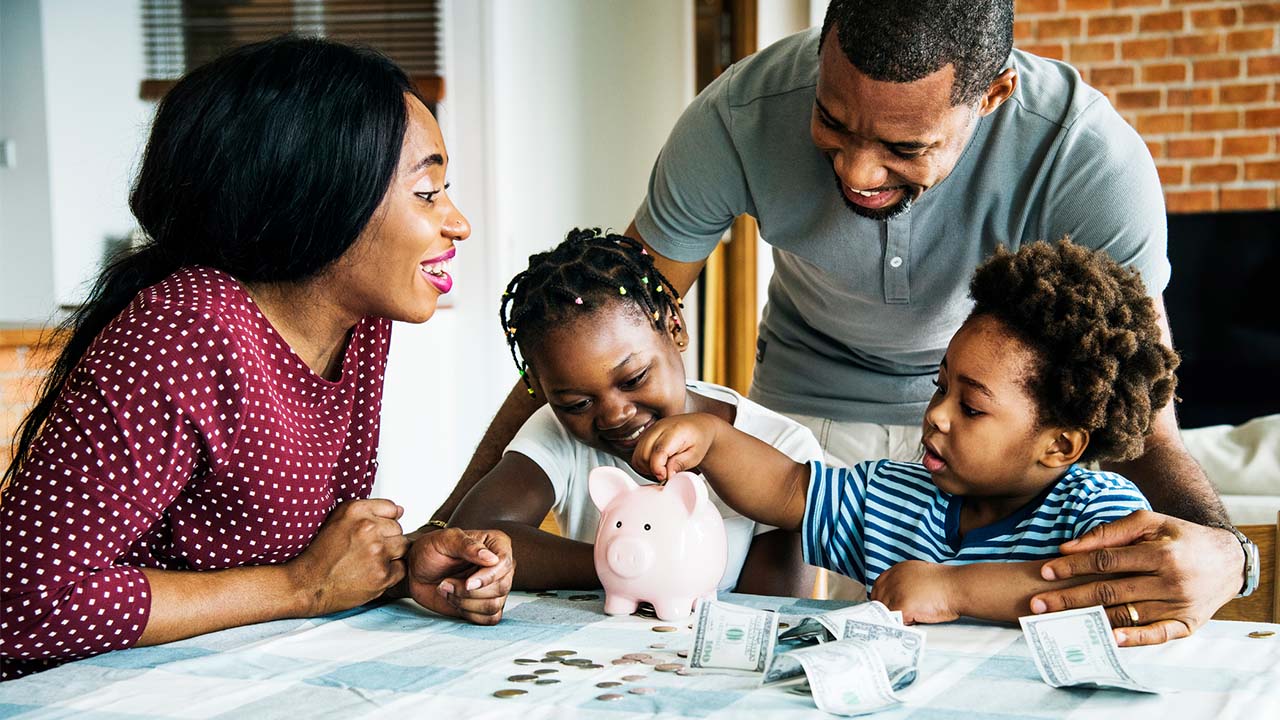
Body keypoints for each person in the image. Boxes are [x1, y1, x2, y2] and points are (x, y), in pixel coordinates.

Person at [427, 0, 1251, 646]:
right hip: (800, 419)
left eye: (904, 145)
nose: (858, 172)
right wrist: (444, 528)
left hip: (998, 417)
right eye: (833, 121)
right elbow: (602, 323)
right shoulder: (735, 118)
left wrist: (1227, 552)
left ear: (993, 96)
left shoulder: (1088, 160)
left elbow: (1146, 427)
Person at [0, 37, 514, 679]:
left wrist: (402, 564)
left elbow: (305, 557)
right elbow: (21, 602)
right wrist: (301, 588)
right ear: (322, 195)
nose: (458, 223)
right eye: (427, 192)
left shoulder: (359, 325)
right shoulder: (187, 328)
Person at [633, 240, 1174, 631]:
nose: (937, 416)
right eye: (940, 389)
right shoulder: (894, 497)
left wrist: (952, 589)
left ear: (1059, 445)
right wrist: (712, 439)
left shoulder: (1099, 512)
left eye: (971, 407)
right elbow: (787, 490)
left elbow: (1103, 592)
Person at [447, 228, 821, 596]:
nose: (614, 415)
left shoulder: (782, 447)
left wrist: (636, 565)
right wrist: (618, 563)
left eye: (634, 378)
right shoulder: (557, 428)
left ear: (675, 327)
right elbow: (471, 535)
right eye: (577, 403)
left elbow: (771, 611)